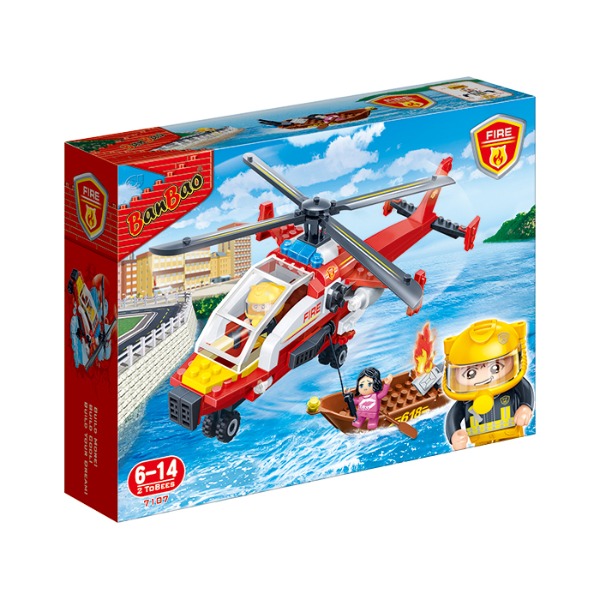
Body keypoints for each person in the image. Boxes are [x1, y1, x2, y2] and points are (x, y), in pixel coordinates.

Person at [443, 319, 535, 450]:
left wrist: (525, 407)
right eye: (470, 374)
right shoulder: (466, 400)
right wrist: (454, 434)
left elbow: (526, 392)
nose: (483, 379)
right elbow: (453, 416)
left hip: (511, 435)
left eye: (496, 368)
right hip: (481, 441)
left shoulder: (512, 386)